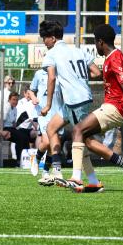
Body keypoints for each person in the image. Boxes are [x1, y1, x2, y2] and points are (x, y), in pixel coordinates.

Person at [57, 24, 123, 192]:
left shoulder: (115, 57)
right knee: (84, 140)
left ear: (101, 42)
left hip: (115, 107)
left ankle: (76, 178)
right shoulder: (110, 58)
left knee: (77, 131)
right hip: (111, 106)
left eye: (95, 42)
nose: (95, 46)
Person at [38, 20, 102, 188]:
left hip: (75, 100)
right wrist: (79, 78)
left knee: (81, 140)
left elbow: (51, 78)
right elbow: (96, 72)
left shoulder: (52, 54)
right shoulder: (78, 50)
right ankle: (57, 171)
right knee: (51, 128)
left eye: (44, 38)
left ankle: (90, 179)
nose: (43, 42)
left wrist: (48, 104)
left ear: (52, 38)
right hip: (78, 99)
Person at [26, 67, 64, 183]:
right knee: (47, 142)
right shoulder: (39, 74)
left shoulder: (62, 72)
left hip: (58, 113)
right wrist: (33, 98)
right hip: (43, 113)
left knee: (54, 145)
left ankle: (46, 171)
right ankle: (36, 159)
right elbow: (31, 90)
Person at [2, 92, 34, 167]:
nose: (15, 102)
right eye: (13, 99)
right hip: (5, 128)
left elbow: (13, 123)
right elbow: (2, 120)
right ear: (9, 100)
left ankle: (26, 159)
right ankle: (19, 159)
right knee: (21, 137)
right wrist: (1, 132)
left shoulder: (15, 109)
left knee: (25, 136)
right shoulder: (6, 107)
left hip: (12, 128)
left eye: (16, 100)